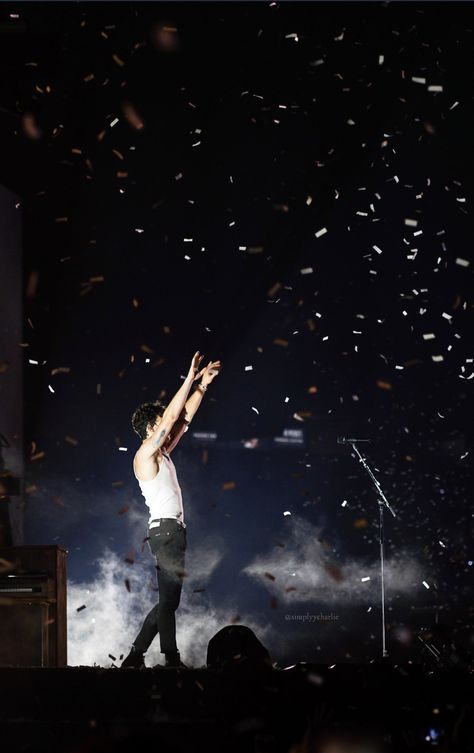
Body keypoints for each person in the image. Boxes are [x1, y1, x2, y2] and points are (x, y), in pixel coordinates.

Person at [121, 351, 222, 669]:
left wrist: (202, 387)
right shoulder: (144, 454)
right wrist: (189, 378)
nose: (168, 422)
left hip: (173, 531)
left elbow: (184, 419)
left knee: (169, 601)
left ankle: (135, 657)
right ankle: (171, 658)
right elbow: (171, 419)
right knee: (168, 601)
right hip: (164, 531)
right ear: (151, 427)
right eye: (162, 420)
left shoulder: (162, 452)